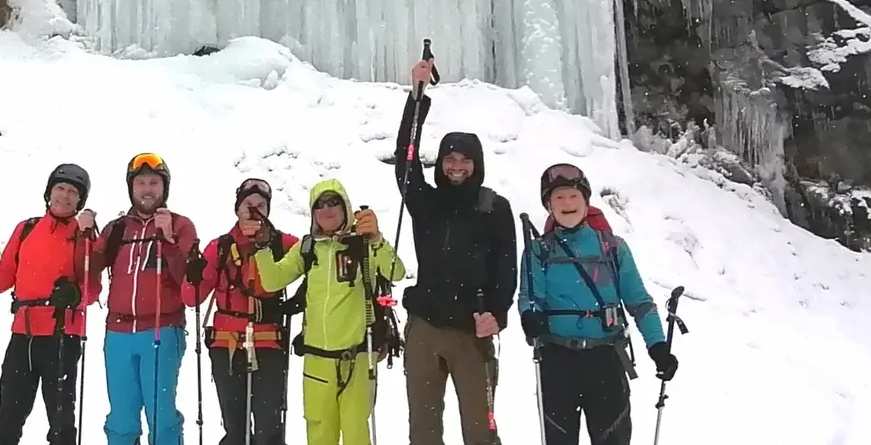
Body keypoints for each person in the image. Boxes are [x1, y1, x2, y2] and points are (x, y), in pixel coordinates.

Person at [390, 59, 517, 445]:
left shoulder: (494, 207)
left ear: (476, 164)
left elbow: (506, 268)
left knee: (480, 430)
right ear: (441, 163)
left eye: (464, 160)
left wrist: (497, 313)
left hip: (471, 329)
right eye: (449, 159)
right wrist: (416, 98)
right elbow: (405, 158)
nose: (456, 166)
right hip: (425, 327)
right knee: (424, 432)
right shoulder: (424, 201)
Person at [519, 165, 678, 445]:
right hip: (557, 359)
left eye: (573, 196)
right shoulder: (538, 250)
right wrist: (529, 316)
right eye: (558, 198)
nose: (567, 204)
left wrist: (658, 346)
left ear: (586, 201)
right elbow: (530, 298)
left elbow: (639, 302)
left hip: (606, 358)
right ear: (548, 206)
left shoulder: (613, 248)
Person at [251, 179, 406, 445]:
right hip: (316, 360)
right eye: (319, 205)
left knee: (356, 432)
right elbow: (273, 280)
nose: (327, 209)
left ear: (345, 207)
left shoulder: (364, 243)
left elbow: (396, 272)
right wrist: (263, 248)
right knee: (320, 433)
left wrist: (377, 240)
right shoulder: (307, 248)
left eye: (333, 202)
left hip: (357, 357)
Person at [0, 163, 103, 445]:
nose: (64, 195)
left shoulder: (84, 234)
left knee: (61, 423)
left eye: (73, 192)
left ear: (81, 200)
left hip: (63, 334)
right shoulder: (27, 229)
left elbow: (92, 289)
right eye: (60, 188)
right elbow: (6, 274)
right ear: (49, 192)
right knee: (8, 418)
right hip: (23, 335)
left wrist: (75, 294)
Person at [96, 153, 199, 445]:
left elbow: (188, 282)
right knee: (121, 419)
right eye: (140, 182)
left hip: (162, 330)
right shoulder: (116, 229)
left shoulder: (181, 226)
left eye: (154, 182)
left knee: (161, 416)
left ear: (164, 188)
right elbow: (87, 268)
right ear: (131, 188)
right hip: (117, 333)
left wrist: (167, 239)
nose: (147, 189)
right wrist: (84, 235)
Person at [187, 178, 299, 445]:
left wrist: (298, 301)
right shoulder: (221, 247)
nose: (254, 210)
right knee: (234, 425)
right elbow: (192, 298)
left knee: (268, 426)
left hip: (268, 344)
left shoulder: (284, 244)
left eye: (261, 205)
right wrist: (194, 275)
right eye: (249, 204)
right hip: (226, 345)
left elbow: (317, 262)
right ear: (237, 208)